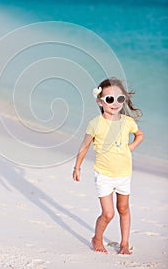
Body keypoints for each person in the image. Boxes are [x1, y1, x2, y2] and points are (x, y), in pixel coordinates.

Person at [73, 77, 144, 255]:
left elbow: (140, 135)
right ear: (100, 101)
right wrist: (77, 167)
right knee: (108, 213)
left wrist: (130, 147)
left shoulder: (127, 122)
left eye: (119, 99)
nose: (115, 103)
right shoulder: (95, 124)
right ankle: (97, 238)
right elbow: (84, 146)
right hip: (103, 174)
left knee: (124, 209)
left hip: (124, 173)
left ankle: (124, 244)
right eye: (109, 99)